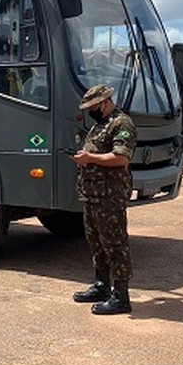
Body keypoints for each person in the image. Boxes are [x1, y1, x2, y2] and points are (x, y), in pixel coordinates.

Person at [71, 84, 138, 315]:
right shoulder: (100, 124)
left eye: (93, 106)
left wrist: (90, 157)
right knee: (96, 242)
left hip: (110, 195)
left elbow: (120, 158)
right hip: (92, 194)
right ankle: (102, 285)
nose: (91, 111)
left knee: (115, 244)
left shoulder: (122, 123)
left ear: (105, 102)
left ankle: (121, 296)